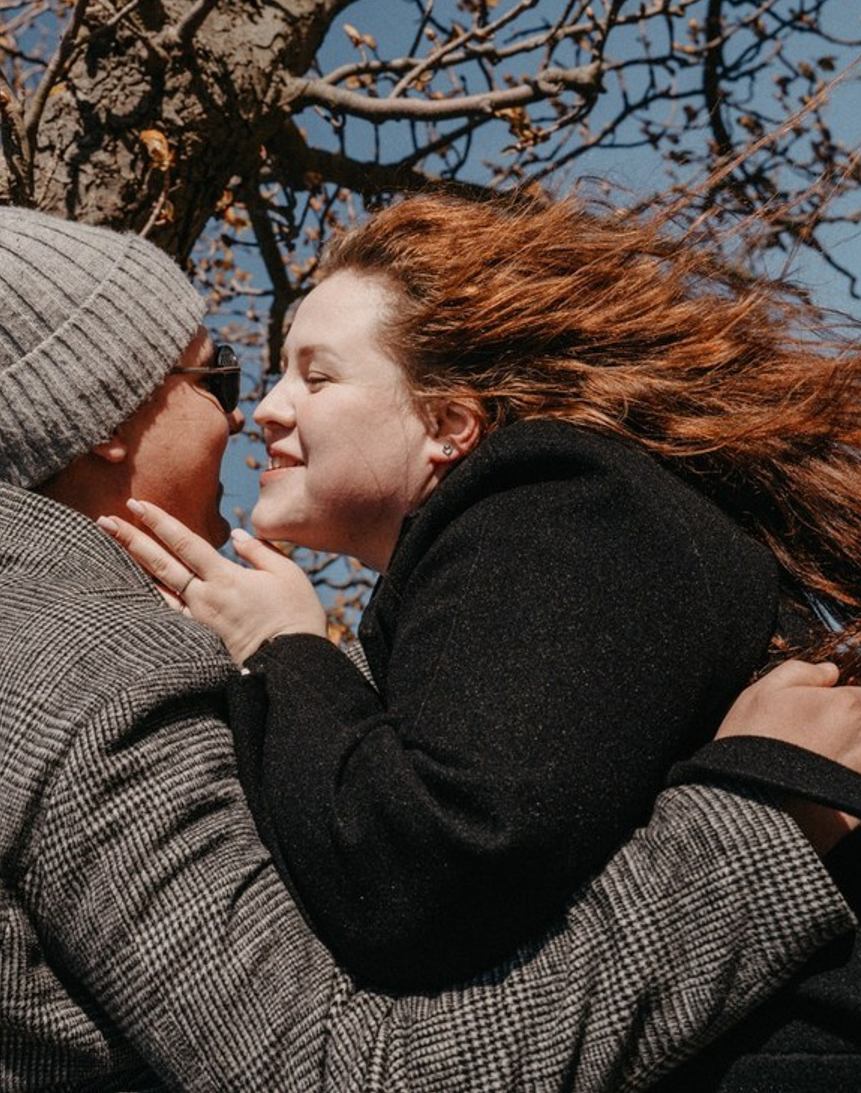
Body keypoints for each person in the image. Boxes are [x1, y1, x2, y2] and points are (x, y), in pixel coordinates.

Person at [0, 206, 861, 1092]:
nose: (249, 413)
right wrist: (762, 816)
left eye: (308, 375)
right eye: (217, 377)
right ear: (105, 419)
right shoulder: (89, 681)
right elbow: (342, 1067)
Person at [102, 192, 861, 1088]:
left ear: (448, 425)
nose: (263, 410)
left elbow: (425, 878)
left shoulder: (560, 498)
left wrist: (284, 644)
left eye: (317, 376)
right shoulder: (510, 546)